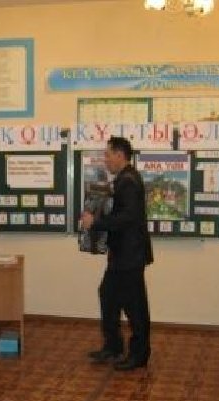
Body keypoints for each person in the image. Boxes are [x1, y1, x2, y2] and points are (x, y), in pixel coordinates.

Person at [81, 136, 153, 371]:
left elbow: (127, 217)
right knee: (108, 295)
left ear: (120, 155)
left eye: (108, 154)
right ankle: (113, 346)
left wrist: (96, 222)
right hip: (122, 254)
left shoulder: (128, 181)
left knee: (134, 307)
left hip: (130, 255)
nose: (105, 159)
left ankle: (139, 355)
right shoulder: (124, 179)